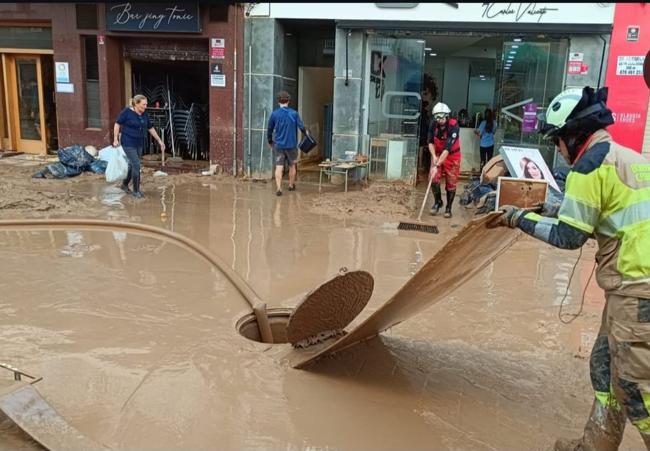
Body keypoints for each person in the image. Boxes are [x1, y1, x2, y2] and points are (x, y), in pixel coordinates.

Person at [490, 86, 650, 451]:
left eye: (558, 139)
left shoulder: (589, 166)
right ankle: (595, 445)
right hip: (630, 287)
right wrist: (548, 210)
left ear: (574, 134)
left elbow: (568, 237)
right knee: (605, 368)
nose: (559, 149)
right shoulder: (629, 158)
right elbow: (601, 214)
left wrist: (519, 219)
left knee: (636, 389)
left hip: (637, 289)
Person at [113, 95, 165, 198]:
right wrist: (115, 139)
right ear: (136, 104)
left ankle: (124, 184)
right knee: (136, 164)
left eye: (146, 104)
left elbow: (150, 128)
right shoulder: (126, 112)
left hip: (139, 143)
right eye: (143, 104)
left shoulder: (144, 114)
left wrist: (159, 140)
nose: (145, 106)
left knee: (133, 165)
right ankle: (136, 191)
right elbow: (117, 124)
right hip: (128, 142)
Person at [267, 91, 306, 196]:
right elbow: (302, 128)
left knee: (279, 167)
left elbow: (269, 129)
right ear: (288, 101)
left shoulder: (274, 114)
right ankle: (290, 185)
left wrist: (270, 141)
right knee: (292, 165)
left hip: (278, 145)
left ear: (278, 101)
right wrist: (307, 136)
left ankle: (279, 188)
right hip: (291, 145)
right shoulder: (294, 113)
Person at [427, 102, 461, 218]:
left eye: (441, 116)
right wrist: (434, 157)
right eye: (436, 117)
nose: (439, 119)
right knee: (433, 178)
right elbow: (430, 142)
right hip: (437, 153)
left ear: (447, 115)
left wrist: (439, 161)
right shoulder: (433, 124)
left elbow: (447, 148)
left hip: (452, 156)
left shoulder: (454, 126)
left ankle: (448, 207)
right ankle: (438, 202)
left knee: (451, 182)